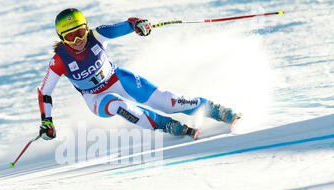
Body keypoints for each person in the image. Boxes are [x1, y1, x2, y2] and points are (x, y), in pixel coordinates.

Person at [37, 8, 241, 141]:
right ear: (62, 38)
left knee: (168, 101)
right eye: (70, 36)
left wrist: (138, 25)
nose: (78, 40)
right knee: (116, 103)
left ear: (87, 29)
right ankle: (166, 125)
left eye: (80, 32)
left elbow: (126, 25)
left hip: (117, 79)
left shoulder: (97, 35)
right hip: (96, 98)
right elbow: (45, 92)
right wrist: (47, 122)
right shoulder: (59, 60)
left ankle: (218, 111)